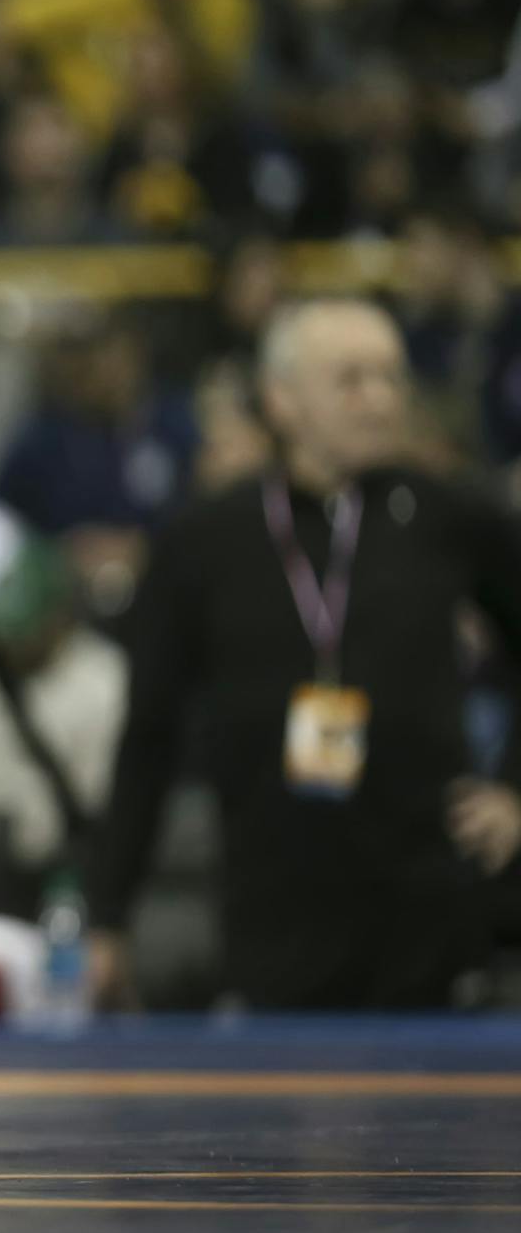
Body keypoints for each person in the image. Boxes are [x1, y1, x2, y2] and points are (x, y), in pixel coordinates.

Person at [88, 299, 521, 1011]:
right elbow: (148, 734)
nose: (380, 400)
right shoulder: (206, 538)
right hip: (272, 910)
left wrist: (513, 788)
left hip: (428, 913)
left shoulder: (450, 516)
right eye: (351, 379)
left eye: (391, 377)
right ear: (282, 400)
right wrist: (109, 915)